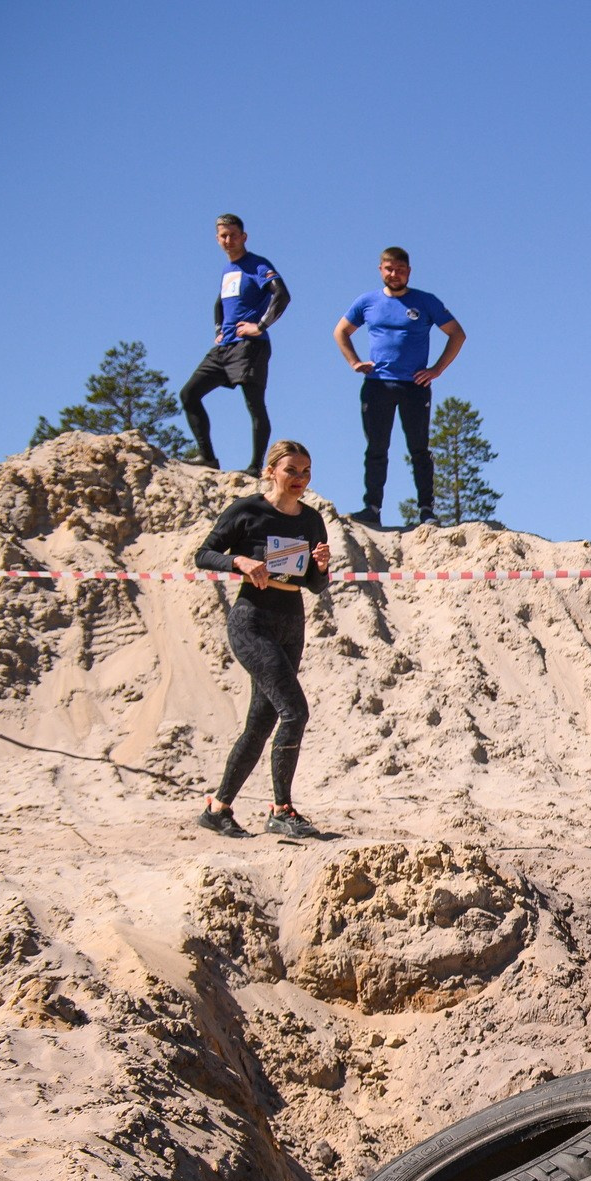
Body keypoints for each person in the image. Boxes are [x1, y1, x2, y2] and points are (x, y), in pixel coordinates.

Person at [193, 440, 331, 840]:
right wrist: (239, 561)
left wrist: (321, 568)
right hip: (251, 621)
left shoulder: (311, 520)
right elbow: (204, 554)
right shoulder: (248, 510)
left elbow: (315, 585)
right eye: (292, 470)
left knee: (261, 721)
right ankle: (281, 810)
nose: (300, 479)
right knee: (295, 712)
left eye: (306, 471)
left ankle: (218, 809)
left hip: (292, 620)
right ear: (271, 471)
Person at [333, 247, 465, 530]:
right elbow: (340, 331)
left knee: (419, 449)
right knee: (376, 447)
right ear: (381, 269)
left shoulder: (425, 301)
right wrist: (354, 361)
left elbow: (457, 333)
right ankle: (372, 508)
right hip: (377, 384)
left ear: (409, 271)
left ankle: (426, 509)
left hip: (414, 386)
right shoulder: (367, 301)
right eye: (390, 269)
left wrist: (437, 369)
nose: (395, 274)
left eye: (401, 269)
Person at [180, 215, 289, 476]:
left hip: (250, 346)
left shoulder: (258, 265)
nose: (228, 240)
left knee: (254, 404)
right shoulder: (228, 270)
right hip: (223, 348)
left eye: (232, 235)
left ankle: (255, 467)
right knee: (189, 394)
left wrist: (260, 326)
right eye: (223, 236)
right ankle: (207, 457)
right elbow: (220, 303)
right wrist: (218, 330)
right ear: (218, 239)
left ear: (243, 237)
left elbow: (282, 294)